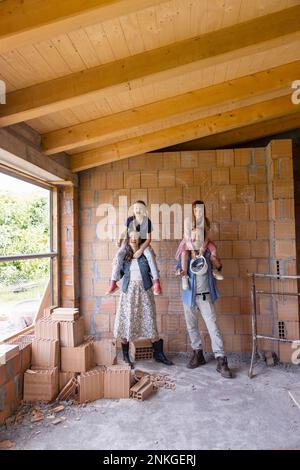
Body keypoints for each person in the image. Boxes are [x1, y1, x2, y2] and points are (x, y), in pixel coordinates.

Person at [177, 203, 233, 379]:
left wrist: (216, 263)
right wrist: (181, 272)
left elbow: (219, 264)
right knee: (191, 326)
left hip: (205, 295)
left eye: (199, 233)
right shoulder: (184, 249)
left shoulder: (209, 250)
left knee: (213, 327)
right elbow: (178, 267)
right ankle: (198, 353)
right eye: (193, 233)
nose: (196, 236)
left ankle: (221, 359)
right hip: (189, 296)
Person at [114, 230, 173, 368]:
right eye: (132, 236)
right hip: (128, 293)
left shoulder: (146, 253)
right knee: (126, 322)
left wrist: (145, 248)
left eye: (137, 236)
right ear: (128, 238)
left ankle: (159, 354)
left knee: (150, 321)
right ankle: (126, 356)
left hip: (144, 291)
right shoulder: (124, 255)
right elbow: (118, 271)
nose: (134, 239)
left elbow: (153, 268)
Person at [106, 200, 162, 295]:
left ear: (144, 210)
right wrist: (119, 239)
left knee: (149, 255)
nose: (138, 210)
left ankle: (156, 282)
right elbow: (124, 232)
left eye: (140, 208)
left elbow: (148, 239)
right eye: (136, 208)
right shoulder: (130, 220)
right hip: (129, 242)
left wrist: (141, 250)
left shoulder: (147, 221)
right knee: (119, 255)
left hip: (143, 244)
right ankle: (113, 282)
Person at [175, 200, 223, 290]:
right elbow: (186, 236)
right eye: (196, 210)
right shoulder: (188, 221)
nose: (199, 212)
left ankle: (215, 269)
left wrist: (202, 249)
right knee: (184, 253)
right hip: (190, 241)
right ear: (193, 211)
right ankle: (184, 275)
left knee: (213, 252)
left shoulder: (205, 221)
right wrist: (192, 250)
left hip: (203, 241)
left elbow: (207, 237)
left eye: (201, 210)